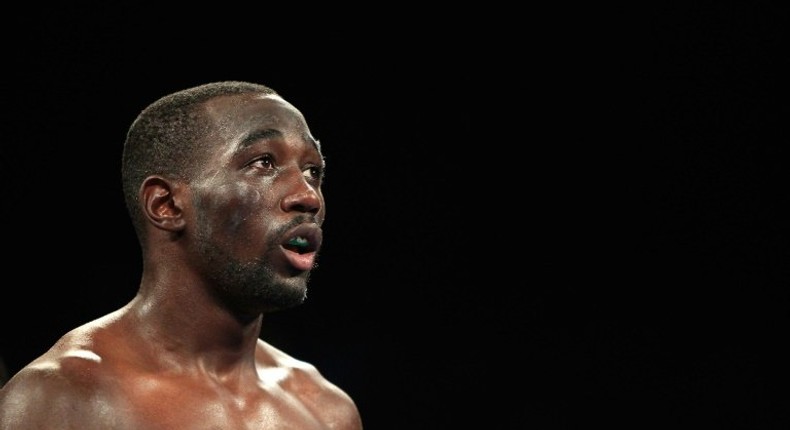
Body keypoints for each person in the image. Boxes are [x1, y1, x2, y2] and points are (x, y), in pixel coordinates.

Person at [0, 81, 364, 429]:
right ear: (167, 204)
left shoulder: (325, 411)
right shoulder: (59, 400)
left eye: (313, 171)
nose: (309, 197)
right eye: (264, 163)